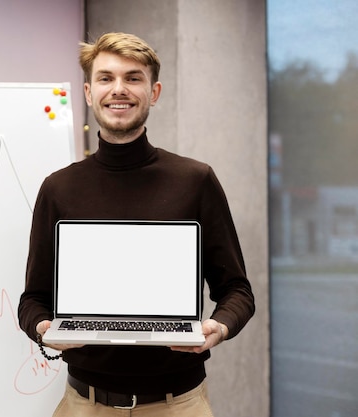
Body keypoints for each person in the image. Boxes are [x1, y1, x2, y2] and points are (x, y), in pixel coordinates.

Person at [18, 32, 255, 417]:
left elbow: (237, 291)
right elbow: (32, 300)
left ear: (154, 91)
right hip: (85, 404)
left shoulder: (195, 180)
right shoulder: (58, 188)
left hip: (179, 404)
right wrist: (45, 328)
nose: (119, 89)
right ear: (89, 92)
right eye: (106, 78)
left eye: (133, 77)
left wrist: (219, 327)